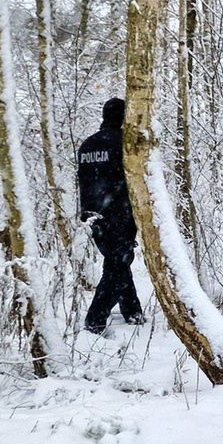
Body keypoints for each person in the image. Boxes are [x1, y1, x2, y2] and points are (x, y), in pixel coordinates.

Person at [78, 97, 144, 333]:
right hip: (119, 214)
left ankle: (133, 312)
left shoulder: (87, 145)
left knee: (117, 262)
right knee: (119, 263)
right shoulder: (123, 144)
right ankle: (95, 320)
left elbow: (85, 181)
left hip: (94, 216)